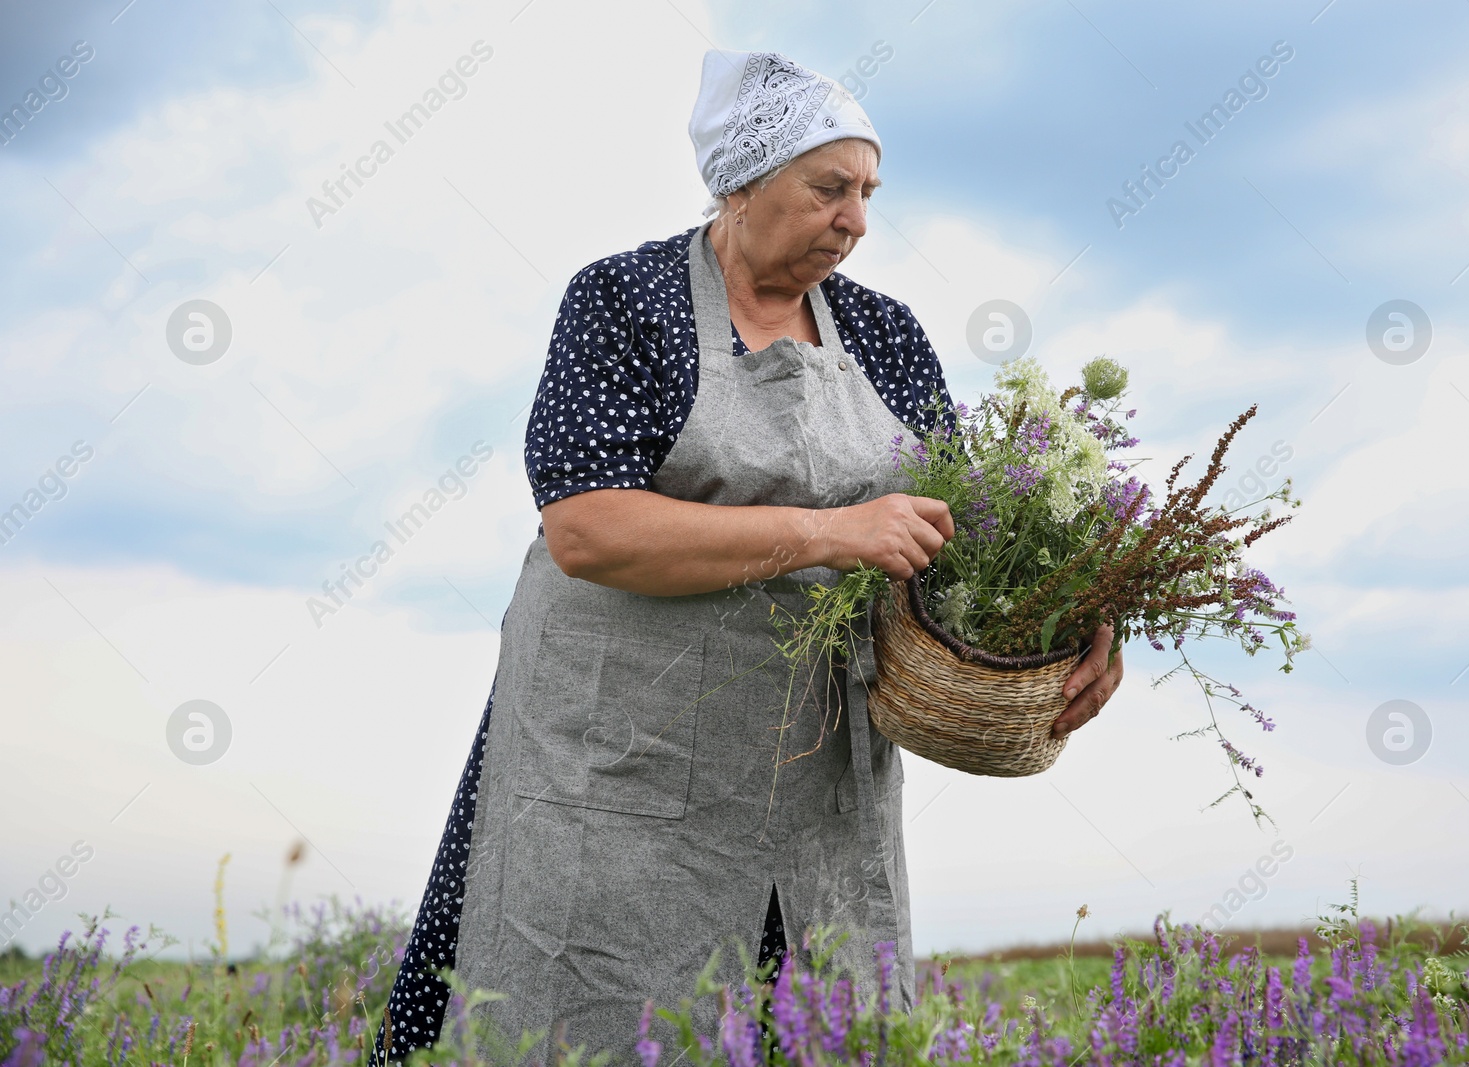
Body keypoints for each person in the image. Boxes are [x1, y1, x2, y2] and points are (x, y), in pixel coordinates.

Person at [371, 47, 1126, 1066]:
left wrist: (1076, 623)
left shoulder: (885, 335)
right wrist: (825, 533)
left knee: (812, 1022)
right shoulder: (626, 302)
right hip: (618, 765)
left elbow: (963, 540)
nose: (855, 218)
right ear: (740, 182)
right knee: (581, 1018)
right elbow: (586, 528)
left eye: (866, 192)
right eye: (829, 187)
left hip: (813, 785)